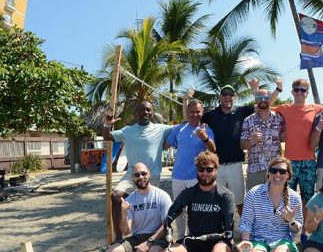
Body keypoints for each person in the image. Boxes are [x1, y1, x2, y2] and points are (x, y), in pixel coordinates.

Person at [272, 77, 323, 210]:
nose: (299, 92)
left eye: (303, 90)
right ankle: (286, 227)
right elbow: (264, 107)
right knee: (285, 196)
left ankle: (305, 228)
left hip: (309, 161)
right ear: (292, 92)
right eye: (296, 90)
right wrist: (278, 89)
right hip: (289, 162)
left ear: (307, 93)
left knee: (308, 198)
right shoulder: (284, 108)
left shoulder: (315, 109)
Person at [102, 101, 173, 241]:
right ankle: (119, 238)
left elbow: (182, 127)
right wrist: (106, 125)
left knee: (153, 209)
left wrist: (185, 102)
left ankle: (156, 238)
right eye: (142, 110)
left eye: (148, 110)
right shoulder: (127, 131)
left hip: (151, 176)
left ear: (152, 113)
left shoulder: (162, 129)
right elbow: (107, 136)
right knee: (115, 196)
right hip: (132, 175)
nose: (146, 112)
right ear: (137, 113)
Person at [201, 80, 263, 213]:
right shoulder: (211, 114)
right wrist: (185, 101)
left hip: (236, 165)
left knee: (240, 202)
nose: (227, 97)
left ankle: (243, 230)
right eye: (224, 94)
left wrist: (255, 89)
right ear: (220, 97)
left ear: (234, 97)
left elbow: (261, 106)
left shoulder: (241, 111)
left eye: (231, 94)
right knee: (217, 201)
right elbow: (191, 117)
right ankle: (220, 230)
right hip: (216, 166)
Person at [165, 94, 216, 240]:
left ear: (202, 113)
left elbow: (213, 150)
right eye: (192, 111)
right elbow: (166, 144)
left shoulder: (207, 129)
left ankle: (196, 237)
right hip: (178, 176)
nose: (195, 114)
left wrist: (204, 137)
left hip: (197, 177)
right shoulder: (179, 129)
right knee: (179, 210)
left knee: (197, 209)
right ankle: (181, 237)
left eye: (198, 111)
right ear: (187, 113)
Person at [240, 88, 285, 191]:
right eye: (260, 97)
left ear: (270, 99)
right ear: (256, 99)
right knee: (254, 202)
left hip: (275, 169)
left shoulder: (279, 118)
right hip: (255, 169)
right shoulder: (248, 120)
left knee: (276, 201)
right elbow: (242, 145)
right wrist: (252, 140)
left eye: (266, 97)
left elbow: (284, 137)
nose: (263, 100)